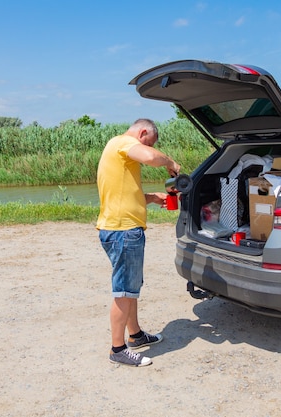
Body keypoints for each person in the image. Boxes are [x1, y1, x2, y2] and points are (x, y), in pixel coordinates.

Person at [96, 118, 181, 367]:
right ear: (142, 132)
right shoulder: (123, 142)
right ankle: (118, 349)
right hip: (123, 231)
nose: (150, 148)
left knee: (131, 287)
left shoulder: (116, 150)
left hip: (121, 228)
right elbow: (152, 158)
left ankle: (135, 335)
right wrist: (169, 162)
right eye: (150, 142)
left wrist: (152, 198)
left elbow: (122, 194)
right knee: (123, 290)